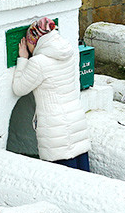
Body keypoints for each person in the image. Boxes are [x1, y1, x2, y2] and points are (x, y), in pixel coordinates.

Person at [11, 17, 91, 170]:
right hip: (76, 119)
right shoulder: (67, 52)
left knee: (63, 177)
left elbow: (19, 88)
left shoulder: (39, 62)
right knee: (83, 175)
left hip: (55, 128)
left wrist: (23, 59)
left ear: (34, 41)